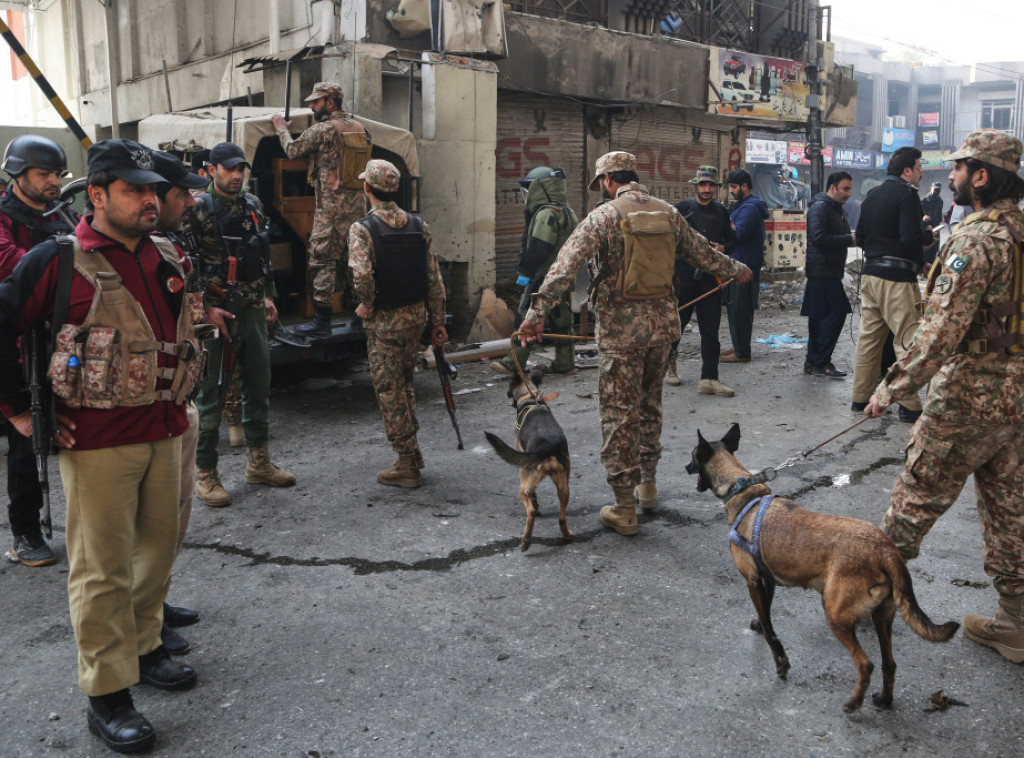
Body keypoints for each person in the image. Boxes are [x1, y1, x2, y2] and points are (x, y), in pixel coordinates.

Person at [0, 139, 204, 753]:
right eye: (133, 190)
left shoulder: (167, 252)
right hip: (98, 442)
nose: (150, 200)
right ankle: (108, 694)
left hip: (166, 429)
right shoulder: (56, 260)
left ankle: (144, 647)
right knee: (101, 571)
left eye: (153, 190)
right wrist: (19, 411)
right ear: (96, 195)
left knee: (157, 551)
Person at [519, 151, 751, 536]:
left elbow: (565, 265)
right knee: (649, 408)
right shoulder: (668, 213)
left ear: (609, 179)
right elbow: (704, 253)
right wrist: (737, 269)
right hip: (661, 331)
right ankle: (648, 489)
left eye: (601, 182)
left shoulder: (604, 217)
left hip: (620, 335)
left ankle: (624, 507)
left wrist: (534, 314)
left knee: (618, 417)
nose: (602, 188)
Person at [865, 129, 1024, 664]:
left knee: (914, 498)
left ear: (981, 176)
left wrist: (891, 387)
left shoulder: (975, 242)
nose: (951, 176)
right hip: (1019, 400)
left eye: (958, 168)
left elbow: (939, 334)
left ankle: (866, 595)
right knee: (1010, 511)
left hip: (968, 399)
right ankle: (1016, 622)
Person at [184, 142, 295, 507]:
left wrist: (268, 295)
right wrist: (204, 310)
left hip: (251, 308)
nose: (236, 175)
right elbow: (185, 266)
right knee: (209, 393)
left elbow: (262, 256)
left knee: (259, 384)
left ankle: (258, 462)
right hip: (212, 314)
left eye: (240, 169)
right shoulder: (197, 208)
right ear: (211, 170)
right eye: (229, 169)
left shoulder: (253, 205)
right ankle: (205, 473)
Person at [348, 160, 447, 488]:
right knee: (405, 385)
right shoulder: (418, 224)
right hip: (415, 318)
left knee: (390, 391)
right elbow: (434, 278)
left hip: (385, 323)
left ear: (367, 188)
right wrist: (438, 321)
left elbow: (361, 274)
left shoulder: (363, 228)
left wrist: (367, 302)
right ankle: (412, 452)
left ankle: (406, 463)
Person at [0, 134, 75, 566]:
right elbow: (12, 264)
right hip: (18, 343)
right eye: (44, 173)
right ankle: (25, 532)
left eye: (57, 174)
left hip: (63, 339)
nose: (54, 182)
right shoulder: (3, 217)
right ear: (17, 173)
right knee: (28, 439)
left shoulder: (61, 214)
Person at [150, 150, 210, 655]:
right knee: (144, 526)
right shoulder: (95, 254)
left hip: (178, 401)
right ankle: (142, 630)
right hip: (137, 412)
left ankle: (154, 599)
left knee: (173, 515)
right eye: (182, 194)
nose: (191, 202)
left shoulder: (169, 243)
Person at [272, 81, 368, 338]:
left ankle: (322, 321)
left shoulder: (323, 129)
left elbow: (293, 150)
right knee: (355, 263)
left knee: (322, 259)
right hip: (358, 211)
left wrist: (281, 128)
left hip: (330, 211)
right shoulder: (361, 128)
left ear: (331, 102)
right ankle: (360, 318)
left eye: (316, 101)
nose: (312, 106)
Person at [851, 146, 932, 422]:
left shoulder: (872, 195)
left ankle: (860, 397)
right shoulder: (908, 195)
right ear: (907, 171)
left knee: (869, 340)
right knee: (906, 340)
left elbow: (861, 237)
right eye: (919, 168)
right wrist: (926, 235)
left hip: (870, 276)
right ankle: (909, 405)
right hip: (897, 279)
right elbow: (910, 238)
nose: (921, 173)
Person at [490, 166, 579, 377]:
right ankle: (565, 363)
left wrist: (526, 271)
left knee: (526, 318)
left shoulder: (547, 214)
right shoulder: (567, 211)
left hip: (542, 278)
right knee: (562, 321)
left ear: (541, 189)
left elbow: (540, 246)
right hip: (563, 278)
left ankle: (514, 363)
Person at [669, 165, 737, 396]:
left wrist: (722, 248)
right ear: (696, 185)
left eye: (711, 185)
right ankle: (669, 365)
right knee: (677, 324)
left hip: (710, 278)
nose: (706, 189)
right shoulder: (682, 209)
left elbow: (732, 239)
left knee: (710, 330)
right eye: (703, 185)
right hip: (685, 276)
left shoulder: (721, 211)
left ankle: (709, 378)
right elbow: (669, 240)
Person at [802, 171, 855, 378]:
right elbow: (818, 237)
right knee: (836, 313)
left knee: (819, 316)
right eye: (845, 189)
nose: (848, 193)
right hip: (822, 271)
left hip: (829, 270)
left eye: (850, 189)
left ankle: (813, 360)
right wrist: (849, 239)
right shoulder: (820, 208)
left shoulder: (837, 209)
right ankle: (821, 361)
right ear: (832, 188)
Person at [721, 169, 767, 364]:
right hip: (738, 264)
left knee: (740, 309)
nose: (731, 191)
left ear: (744, 186)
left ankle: (742, 352)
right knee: (735, 308)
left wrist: (724, 229)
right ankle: (738, 345)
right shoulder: (742, 206)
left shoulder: (749, 208)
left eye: (733, 187)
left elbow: (738, 234)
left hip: (744, 267)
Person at [921, 181, 944, 271]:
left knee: (934, 249)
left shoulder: (940, 201)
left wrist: (938, 225)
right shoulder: (924, 200)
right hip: (926, 228)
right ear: (931, 188)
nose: (936, 191)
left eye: (938, 190)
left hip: (936, 228)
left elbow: (939, 216)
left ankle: (931, 270)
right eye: (935, 189)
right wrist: (923, 218)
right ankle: (922, 270)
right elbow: (917, 214)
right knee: (926, 250)